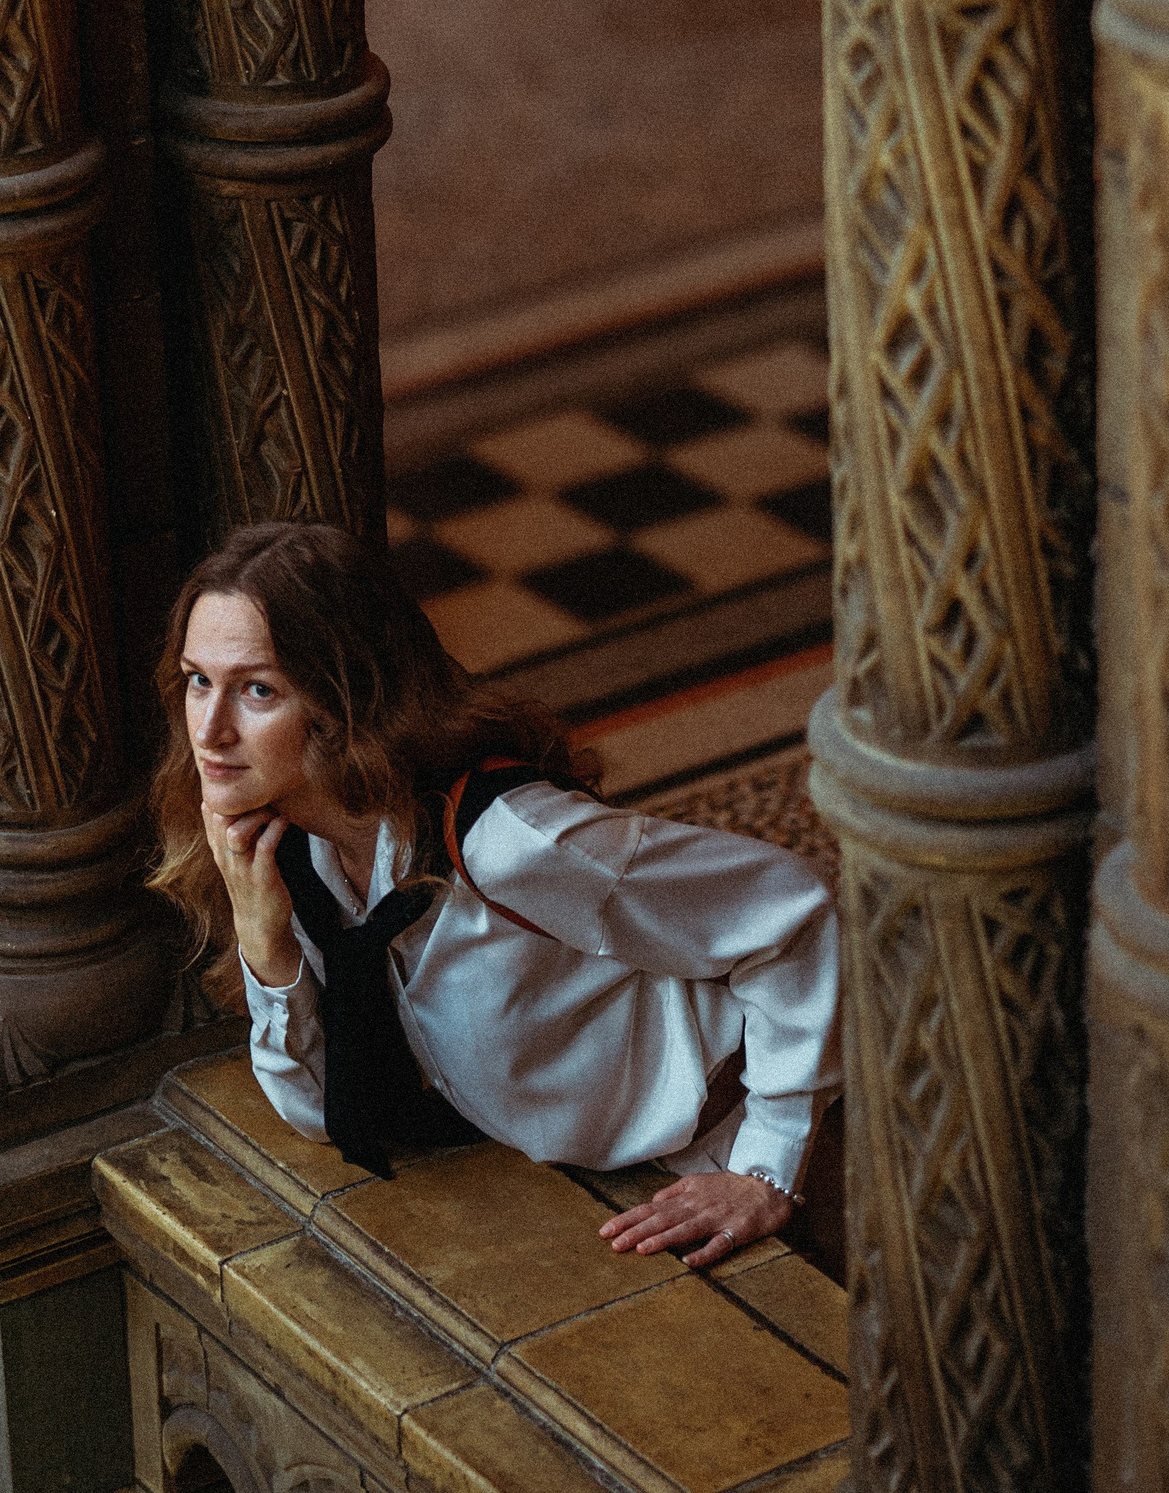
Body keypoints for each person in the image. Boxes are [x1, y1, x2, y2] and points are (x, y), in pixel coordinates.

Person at [149, 518, 840, 1269]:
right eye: (197, 681)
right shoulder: (299, 858)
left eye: (257, 690)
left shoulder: (509, 845)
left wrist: (767, 1164)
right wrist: (266, 943)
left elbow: (795, 911)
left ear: (342, 700)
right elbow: (320, 1112)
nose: (211, 730)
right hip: (623, 1179)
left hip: (770, 1132)